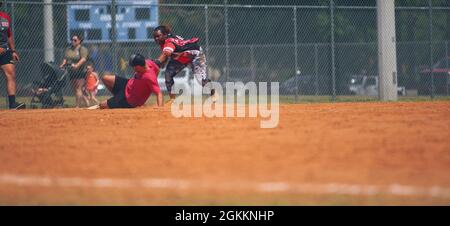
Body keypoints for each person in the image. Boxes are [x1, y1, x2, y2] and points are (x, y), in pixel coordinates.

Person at [152, 25, 215, 104]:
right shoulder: (163, 41)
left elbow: (166, 53)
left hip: (194, 54)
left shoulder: (169, 42)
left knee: (200, 80)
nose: (156, 38)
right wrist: (162, 63)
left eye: (158, 36)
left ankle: (213, 95)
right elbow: (168, 55)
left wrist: (155, 62)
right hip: (181, 57)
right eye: (154, 37)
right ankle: (172, 99)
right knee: (168, 74)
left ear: (164, 35)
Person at [91, 54, 163, 109]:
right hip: (127, 84)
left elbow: (159, 93)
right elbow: (157, 68)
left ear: (138, 66)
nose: (133, 68)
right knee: (105, 78)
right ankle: (117, 98)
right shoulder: (148, 62)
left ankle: (118, 101)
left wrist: (159, 108)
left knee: (102, 105)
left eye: (133, 66)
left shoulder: (149, 77)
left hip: (130, 100)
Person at [0, 4, 25, 109]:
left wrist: (13, 50)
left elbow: (9, 35)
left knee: (11, 75)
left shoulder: (5, 17)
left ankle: (12, 104)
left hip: (5, 50)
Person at [60, 35, 89, 108]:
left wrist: (77, 65)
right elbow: (65, 58)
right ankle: (86, 102)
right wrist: (63, 64)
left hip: (80, 70)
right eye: (72, 40)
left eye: (75, 40)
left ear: (79, 41)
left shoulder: (82, 49)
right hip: (71, 70)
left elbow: (83, 59)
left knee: (78, 88)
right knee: (74, 88)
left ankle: (77, 106)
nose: (73, 41)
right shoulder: (69, 49)